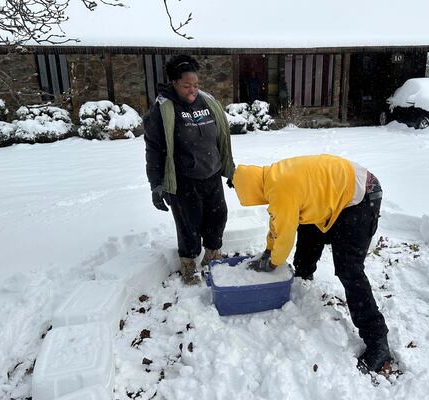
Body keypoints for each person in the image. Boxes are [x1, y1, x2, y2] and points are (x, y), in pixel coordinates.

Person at [232, 154, 391, 373]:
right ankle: (303, 279)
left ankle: (378, 342)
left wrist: (273, 262)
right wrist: (269, 250)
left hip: (362, 195)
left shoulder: (280, 188)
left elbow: (284, 236)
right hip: (338, 193)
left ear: (251, 192)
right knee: (308, 229)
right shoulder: (273, 177)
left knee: (349, 268)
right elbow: (278, 221)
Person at [143, 55, 235, 285]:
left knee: (218, 216)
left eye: (195, 84)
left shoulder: (207, 101)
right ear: (174, 82)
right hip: (184, 179)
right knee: (188, 225)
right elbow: (154, 149)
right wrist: (156, 184)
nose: (192, 90)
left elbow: (222, 137)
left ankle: (212, 255)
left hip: (211, 174)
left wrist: (229, 169)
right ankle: (188, 264)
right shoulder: (162, 109)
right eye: (186, 85)